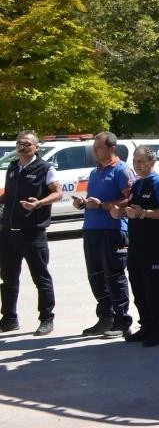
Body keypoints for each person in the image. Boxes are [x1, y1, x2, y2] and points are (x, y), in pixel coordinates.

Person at [72, 132, 135, 339]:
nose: (95, 151)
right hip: (92, 229)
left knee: (114, 276)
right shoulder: (95, 172)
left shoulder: (122, 170)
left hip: (113, 230)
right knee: (96, 277)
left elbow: (131, 199)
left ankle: (122, 321)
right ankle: (106, 317)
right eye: (94, 148)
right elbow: (94, 201)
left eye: (98, 147)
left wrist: (104, 206)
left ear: (112, 149)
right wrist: (84, 203)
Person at [0, 131, 62, 336]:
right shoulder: (13, 167)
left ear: (36, 147)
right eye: (19, 143)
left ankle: (46, 318)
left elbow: (58, 193)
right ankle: (9, 318)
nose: (22, 147)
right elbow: (9, 195)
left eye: (27, 144)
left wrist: (39, 203)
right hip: (9, 233)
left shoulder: (45, 168)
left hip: (33, 233)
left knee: (41, 277)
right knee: (8, 278)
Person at [112, 145, 159, 346]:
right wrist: (120, 212)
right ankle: (146, 326)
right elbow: (132, 208)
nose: (137, 165)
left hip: (154, 246)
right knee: (139, 288)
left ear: (152, 162)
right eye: (134, 161)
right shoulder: (138, 184)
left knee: (154, 289)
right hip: (136, 246)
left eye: (141, 161)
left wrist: (143, 213)